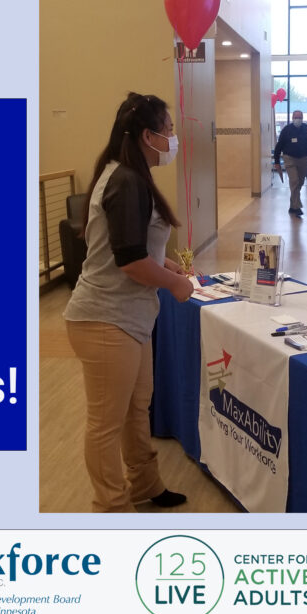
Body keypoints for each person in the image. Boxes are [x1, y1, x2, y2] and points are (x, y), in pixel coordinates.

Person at [63, 92, 194, 512]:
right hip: (104, 320)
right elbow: (130, 262)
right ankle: (112, 507)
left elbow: (138, 246)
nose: (173, 138)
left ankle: (145, 486)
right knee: (106, 423)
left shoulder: (132, 175)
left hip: (130, 318)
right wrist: (174, 286)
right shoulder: (126, 180)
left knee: (138, 407)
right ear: (147, 136)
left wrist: (169, 265)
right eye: (169, 130)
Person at [273, 109, 307, 216]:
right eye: (296, 117)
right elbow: (279, 146)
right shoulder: (286, 130)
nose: (298, 119)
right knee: (294, 181)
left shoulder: (305, 128)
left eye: (300, 117)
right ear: (292, 118)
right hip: (289, 158)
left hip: (303, 159)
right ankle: (296, 207)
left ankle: (292, 206)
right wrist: (276, 161)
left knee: (300, 182)